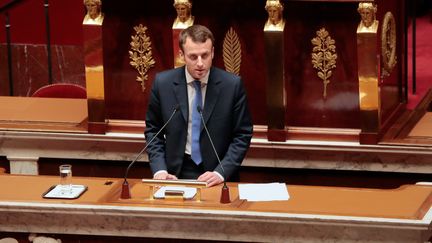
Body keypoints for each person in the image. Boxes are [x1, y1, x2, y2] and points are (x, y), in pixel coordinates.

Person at [145, 25, 253, 187]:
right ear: (182, 55)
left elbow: (242, 135)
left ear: (213, 52)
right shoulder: (163, 83)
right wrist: (160, 170)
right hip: (174, 173)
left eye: (205, 55)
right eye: (193, 57)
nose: (200, 63)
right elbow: (153, 130)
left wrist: (221, 171)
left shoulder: (231, 86)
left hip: (216, 175)